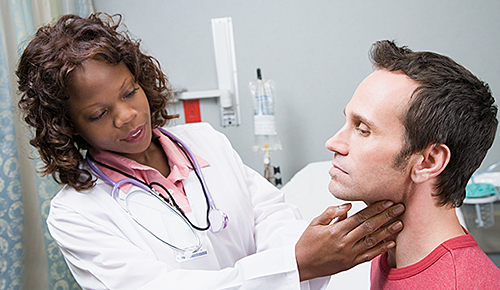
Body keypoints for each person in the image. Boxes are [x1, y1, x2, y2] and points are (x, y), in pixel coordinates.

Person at [16, 14, 405, 290]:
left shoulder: (205, 141)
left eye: (130, 91)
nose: (127, 115)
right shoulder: (76, 214)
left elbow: (269, 215)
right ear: (68, 127)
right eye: (99, 113)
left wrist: (299, 259)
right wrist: (292, 266)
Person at [325, 39, 500, 289]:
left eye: (363, 129)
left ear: (428, 162)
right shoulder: (389, 252)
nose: (333, 143)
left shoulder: (463, 284)